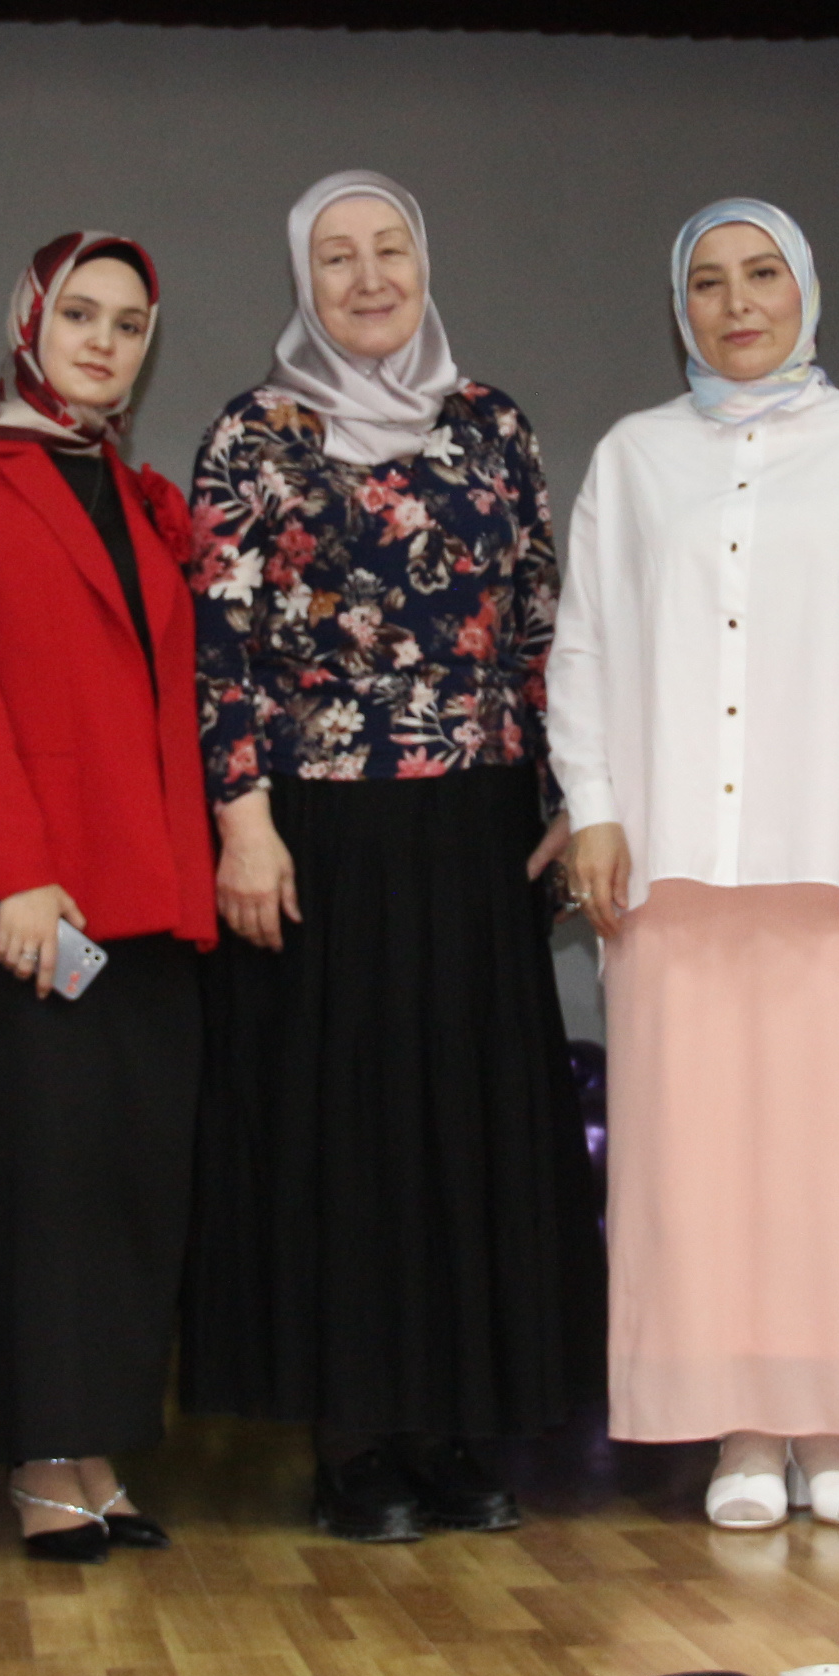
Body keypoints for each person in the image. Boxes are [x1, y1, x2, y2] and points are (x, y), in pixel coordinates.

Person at [183, 170, 604, 1543]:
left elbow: (542, 626)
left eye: (389, 251)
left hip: (479, 824)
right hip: (322, 832)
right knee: (347, 1137)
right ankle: (355, 1440)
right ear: (303, 282)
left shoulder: (492, 425)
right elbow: (219, 648)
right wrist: (242, 821)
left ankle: (450, 1426)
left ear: (424, 264)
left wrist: (571, 793)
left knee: (461, 1132)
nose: (368, 279)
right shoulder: (253, 437)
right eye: (337, 257)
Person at [550, 200, 839, 1531]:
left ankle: (831, 1426)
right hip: (670, 870)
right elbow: (584, 646)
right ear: (680, 307)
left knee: (830, 1167)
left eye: (763, 275)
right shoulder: (635, 457)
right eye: (710, 283)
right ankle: (737, 1430)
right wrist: (595, 807)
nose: (738, 305)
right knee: (695, 1166)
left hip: (830, 863)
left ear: (806, 289)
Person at [0, 231, 215, 1562]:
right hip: (36, 902)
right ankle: (44, 1458)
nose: (103, 341)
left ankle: (103, 1453)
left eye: (129, 324)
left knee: (135, 1183)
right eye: (80, 314)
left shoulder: (141, 495)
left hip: (153, 897)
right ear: (29, 322)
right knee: (43, 1183)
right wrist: (13, 875)